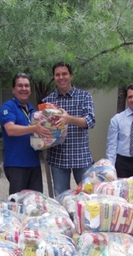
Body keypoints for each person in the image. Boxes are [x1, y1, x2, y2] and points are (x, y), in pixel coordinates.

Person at [42, 62, 96, 196]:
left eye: (64, 74)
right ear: (54, 77)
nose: (61, 77)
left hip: (81, 157)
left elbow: (90, 121)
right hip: (58, 158)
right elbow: (45, 129)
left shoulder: (85, 97)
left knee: (88, 197)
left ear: (71, 75)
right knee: (61, 198)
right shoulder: (48, 101)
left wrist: (69, 119)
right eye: (57, 75)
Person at [0, 73, 51, 195]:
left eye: (26, 86)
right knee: (18, 204)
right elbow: (10, 129)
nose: (23, 89)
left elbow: (38, 132)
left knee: (35, 203)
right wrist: (34, 128)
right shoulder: (8, 107)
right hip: (16, 164)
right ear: (13, 89)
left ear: (30, 90)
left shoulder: (32, 110)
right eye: (20, 85)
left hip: (34, 163)